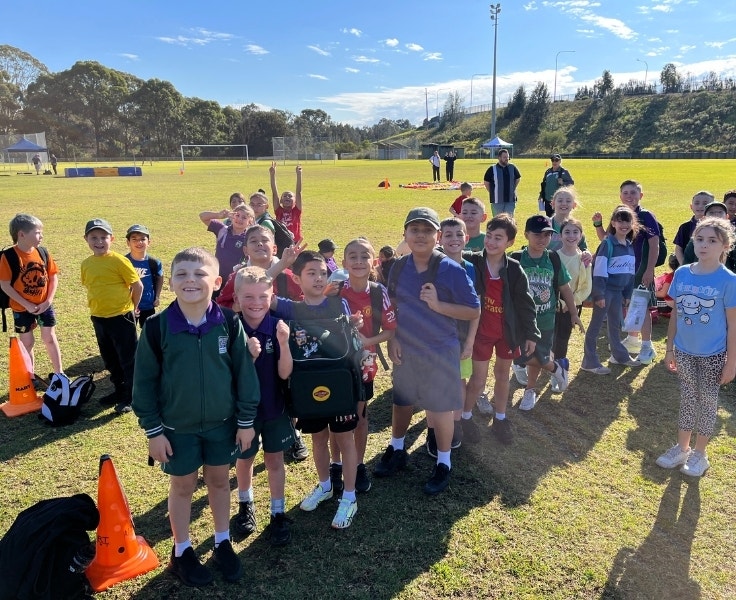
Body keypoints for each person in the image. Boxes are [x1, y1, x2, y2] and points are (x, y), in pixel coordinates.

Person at [132, 247, 259, 586]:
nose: (191, 280)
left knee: (219, 481)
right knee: (183, 486)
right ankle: (182, 550)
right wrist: (154, 431)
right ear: (171, 282)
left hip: (222, 425)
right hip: (176, 429)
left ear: (216, 281)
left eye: (200, 274)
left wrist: (246, 421)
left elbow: (244, 375)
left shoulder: (230, 324)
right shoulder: (157, 328)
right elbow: (143, 383)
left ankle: (221, 542)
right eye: (182, 274)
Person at [374, 207, 480, 495]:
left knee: (440, 406)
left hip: (439, 350)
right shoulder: (397, 266)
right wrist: (392, 338)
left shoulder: (451, 269)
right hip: (406, 347)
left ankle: (443, 462)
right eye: (414, 230)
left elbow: (472, 310)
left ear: (437, 236)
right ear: (405, 234)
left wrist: (439, 306)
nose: (420, 235)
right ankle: (397, 448)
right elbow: (392, 306)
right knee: (402, 399)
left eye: (427, 230)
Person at [270, 250, 361, 529]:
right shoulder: (290, 308)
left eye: (323, 273)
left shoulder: (339, 305)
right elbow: (261, 287)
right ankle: (325, 486)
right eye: (311, 273)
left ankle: (349, 496)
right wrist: (281, 264)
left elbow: (352, 339)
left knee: (346, 440)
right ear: (296, 278)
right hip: (308, 388)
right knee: (318, 439)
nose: (319, 278)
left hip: (341, 383)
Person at [656, 217, 736, 477]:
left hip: (714, 354)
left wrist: (731, 362)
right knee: (688, 398)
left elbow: (733, 325)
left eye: (712, 240)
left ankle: (701, 454)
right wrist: (670, 349)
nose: (704, 245)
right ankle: (683, 447)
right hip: (684, 351)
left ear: (725, 245)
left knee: (707, 401)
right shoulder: (682, 273)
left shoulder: (728, 280)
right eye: (700, 239)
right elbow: (677, 315)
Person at [464, 214, 540, 444]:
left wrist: (531, 333)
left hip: (507, 333)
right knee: (478, 379)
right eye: (489, 235)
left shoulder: (515, 269)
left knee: (502, 376)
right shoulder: (473, 261)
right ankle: (465, 417)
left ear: (510, 243)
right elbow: (447, 256)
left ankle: (500, 418)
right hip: (480, 333)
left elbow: (526, 304)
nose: (491, 241)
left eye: (498, 238)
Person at [328, 238, 396, 495]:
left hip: (364, 364)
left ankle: (357, 465)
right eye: (352, 256)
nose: (358, 261)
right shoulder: (334, 290)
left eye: (364, 256)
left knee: (359, 416)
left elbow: (390, 330)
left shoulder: (379, 292)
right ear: (343, 262)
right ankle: (336, 466)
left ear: (373, 262)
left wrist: (368, 341)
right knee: (336, 417)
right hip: (336, 363)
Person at [231, 266, 294, 546]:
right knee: (244, 459)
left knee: (275, 460)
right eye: (248, 297)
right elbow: (228, 377)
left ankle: (278, 512)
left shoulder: (278, 325)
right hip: (243, 413)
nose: (256, 303)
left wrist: (284, 342)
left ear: (272, 296)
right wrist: (249, 359)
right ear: (236, 297)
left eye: (262, 296)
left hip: (275, 407)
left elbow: (285, 374)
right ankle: (245, 504)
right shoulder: (231, 328)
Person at [510, 215, 582, 410]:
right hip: (521, 320)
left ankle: (530, 390)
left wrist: (574, 314)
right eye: (537, 235)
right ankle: (556, 368)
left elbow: (565, 288)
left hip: (546, 319)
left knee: (538, 357)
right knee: (517, 355)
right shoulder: (516, 258)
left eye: (547, 235)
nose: (542, 239)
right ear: (526, 235)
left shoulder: (553, 258)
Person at [591, 180, 660, 364]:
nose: (630, 196)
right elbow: (606, 239)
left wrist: (649, 269)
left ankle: (647, 347)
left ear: (641, 195)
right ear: (620, 196)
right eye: (626, 193)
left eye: (633, 193)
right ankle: (632, 339)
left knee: (641, 306)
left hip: (639, 270)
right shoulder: (620, 213)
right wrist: (598, 224)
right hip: (620, 272)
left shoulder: (645, 215)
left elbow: (654, 245)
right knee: (628, 304)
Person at [80, 219, 142, 414]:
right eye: (94, 237)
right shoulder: (87, 264)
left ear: (112, 239)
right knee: (110, 359)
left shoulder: (119, 261)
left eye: (103, 237)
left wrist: (133, 307)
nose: (99, 241)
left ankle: (131, 396)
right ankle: (119, 390)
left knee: (128, 359)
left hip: (121, 317)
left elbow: (137, 285)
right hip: (99, 318)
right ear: (86, 239)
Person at [434, 218, 480, 448]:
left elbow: (476, 309)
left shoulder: (470, 268)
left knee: (459, 381)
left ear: (466, 238)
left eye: (458, 235)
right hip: (437, 337)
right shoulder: (434, 267)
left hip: (461, 336)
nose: (454, 239)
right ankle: (434, 428)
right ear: (439, 238)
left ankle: (457, 421)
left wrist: (470, 341)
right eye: (448, 235)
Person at [0, 214, 63, 377]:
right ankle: (30, 376)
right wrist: (26, 304)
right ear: (21, 234)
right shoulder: (8, 257)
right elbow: (5, 284)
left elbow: (53, 276)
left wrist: (48, 301)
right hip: (21, 308)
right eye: (37, 232)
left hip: (44, 305)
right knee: (27, 342)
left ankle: (59, 373)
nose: (41, 236)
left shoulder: (42, 252)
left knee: (49, 337)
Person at [581, 206, 641, 375]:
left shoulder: (629, 245)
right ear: (613, 223)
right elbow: (599, 270)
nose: (624, 225)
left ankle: (619, 356)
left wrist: (628, 294)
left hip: (618, 293)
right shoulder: (607, 244)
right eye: (620, 221)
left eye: (627, 221)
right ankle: (589, 361)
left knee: (616, 325)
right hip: (606, 291)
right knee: (596, 326)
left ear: (632, 224)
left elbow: (630, 273)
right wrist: (599, 294)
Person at [552, 218, 592, 389]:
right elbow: (551, 283)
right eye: (567, 232)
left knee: (562, 338)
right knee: (550, 338)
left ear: (581, 235)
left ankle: (559, 373)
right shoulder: (554, 256)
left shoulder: (583, 259)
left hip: (572, 307)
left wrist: (571, 303)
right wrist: (559, 302)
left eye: (575, 232)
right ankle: (548, 365)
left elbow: (586, 287)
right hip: (553, 306)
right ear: (560, 236)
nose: (571, 236)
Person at [199, 203, 254, 288]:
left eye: (244, 217)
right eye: (237, 215)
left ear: (250, 221)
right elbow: (202, 216)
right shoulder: (222, 230)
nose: (239, 219)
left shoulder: (249, 238)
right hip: (217, 278)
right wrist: (218, 215)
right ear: (232, 216)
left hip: (235, 281)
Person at [124, 224, 163, 328]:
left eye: (142, 239)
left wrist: (157, 296)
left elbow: (159, 278)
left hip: (148, 305)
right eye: (134, 239)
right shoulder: (123, 262)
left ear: (148, 242)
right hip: (128, 306)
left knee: (149, 333)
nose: (139, 242)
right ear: (128, 242)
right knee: (129, 335)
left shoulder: (154, 262)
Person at [672, 191, 713, 265]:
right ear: (691, 206)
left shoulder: (716, 227)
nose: (700, 206)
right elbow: (678, 249)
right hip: (690, 265)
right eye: (697, 203)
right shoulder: (685, 227)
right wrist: (684, 265)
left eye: (705, 203)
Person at [269, 162, 303, 243]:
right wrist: (272, 175)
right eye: (284, 196)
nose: (287, 197)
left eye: (290, 196)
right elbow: (274, 193)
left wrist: (299, 175)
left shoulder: (296, 211)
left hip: (294, 241)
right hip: (281, 241)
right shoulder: (278, 211)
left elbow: (298, 192)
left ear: (295, 201)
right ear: (280, 201)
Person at [483, 149, 521, 217]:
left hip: (510, 200)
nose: (507, 159)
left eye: (507, 157)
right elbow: (486, 182)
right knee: (498, 220)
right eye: (504, 157)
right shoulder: (492, 169)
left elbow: (518, 178)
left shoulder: (512, 167)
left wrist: (513, 188)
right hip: (497, 200)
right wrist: (493, 192)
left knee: (509, 220)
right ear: (499, 158)